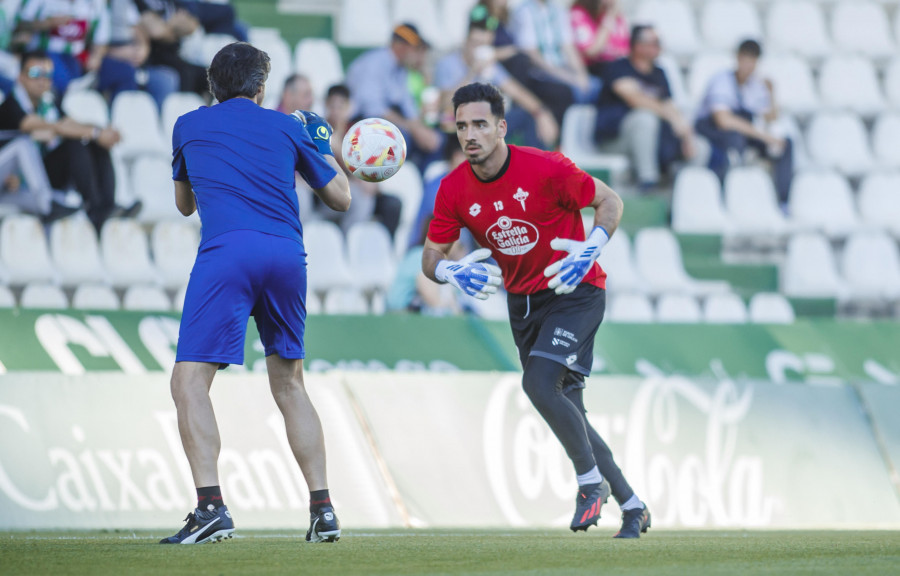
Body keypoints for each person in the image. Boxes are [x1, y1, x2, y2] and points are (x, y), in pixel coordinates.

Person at [422, 82, 650, 538]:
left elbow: (611, 201)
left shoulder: (546, 167)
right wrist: (448, 273)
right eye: (462, 125)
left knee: (539, 382)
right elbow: (431, 256)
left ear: (502, 127)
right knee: (571, 413)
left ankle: (589, 483)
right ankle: (633, 505)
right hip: (523, 304)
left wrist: (592, 247)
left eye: (480, 124)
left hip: (575, 289)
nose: (470, 135)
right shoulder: (452, 189)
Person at [163, 42, 351, 545]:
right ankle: (323, 510)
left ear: (212, 86)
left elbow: (184, 206)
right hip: (288, 257)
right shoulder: (290, 126)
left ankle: (210, 508)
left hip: (228, 254)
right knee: (290, 384)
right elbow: (341, 198)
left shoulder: (187, 125)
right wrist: (320, 142)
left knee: (189, 383)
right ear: (262, 87)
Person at [14, 50, 132, 231]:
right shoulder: (10, 104)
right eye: (35, 74)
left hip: (45, 171)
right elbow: (49, 126)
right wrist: (94, 132)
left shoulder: (49, 100)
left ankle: (107, 206)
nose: (42, 80)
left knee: (93, 143)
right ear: (21, 77)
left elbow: (69, 122)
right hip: (21, 179)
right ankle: (94, 209)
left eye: (47, 75)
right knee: (74, 143)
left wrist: (100, 132)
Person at [594, 25, 706, 190]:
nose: (660, 46)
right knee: (645, 118)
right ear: (638, 46)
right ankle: (648, 181)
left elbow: (669, 105)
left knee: (700, 145)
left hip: (653, 137)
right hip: (614, 139)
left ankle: (684, 190)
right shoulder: (618, 67)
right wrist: (671, 117)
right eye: (655, 42)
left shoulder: (659, 73)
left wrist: (685, 131)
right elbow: (635, 99)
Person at [695, 39, 793, 207]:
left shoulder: (755, 85)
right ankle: (728, 195)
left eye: (753, 61)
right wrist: (763, 136)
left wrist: (771, 94)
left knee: (785, 144)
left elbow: (770, 117)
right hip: (712, 129)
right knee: (735, 139)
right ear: (738, 58)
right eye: (746, 59)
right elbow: (723, 120)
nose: (749, 65)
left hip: (742, 131)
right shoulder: (722, 81)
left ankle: (783, 200)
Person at [435, 17, 558, 150]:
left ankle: (537, 166)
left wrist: (542, 113)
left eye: (484, 45)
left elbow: (516, 91)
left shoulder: (489, 66)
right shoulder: (447, 64)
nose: (479, 49)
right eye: (476, 44)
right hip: (459, 126)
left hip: (487, 124)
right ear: (466, 41)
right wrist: (472, 72)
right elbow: (445, 105)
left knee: (527, 115)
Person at [345, 22, 442, 172]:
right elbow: (374, 110)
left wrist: (423, 132)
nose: (417, 54)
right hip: (359, 128)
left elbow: (409, 109)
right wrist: (415, 130)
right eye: (415, 49)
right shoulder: (375, 63)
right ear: (401, 47)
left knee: (437, 140)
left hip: (387, 126)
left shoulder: (400, 69)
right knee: (402, 140)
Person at [509, 0, 599, 105]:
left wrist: (582, 75)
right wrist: (568, 78)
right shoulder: (523, 12)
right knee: (571, 92)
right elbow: (532, 55)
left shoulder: (557, 10)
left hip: (561, 69)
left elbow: (568, 47)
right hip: (539, 74)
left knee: (596, 87)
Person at [14, 0, 111, 94]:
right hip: (41, 53)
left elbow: (101, 39)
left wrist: (96, 57)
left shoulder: (96, 3)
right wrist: (47, 23)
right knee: (57, 74)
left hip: (75, 58)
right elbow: (18, 25)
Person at [569, 0, 629, 78]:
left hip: (617, 67)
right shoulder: (578, 13)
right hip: (591, 69)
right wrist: (609, 19)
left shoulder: (614, 15)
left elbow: (625, 51)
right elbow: (591, 51)